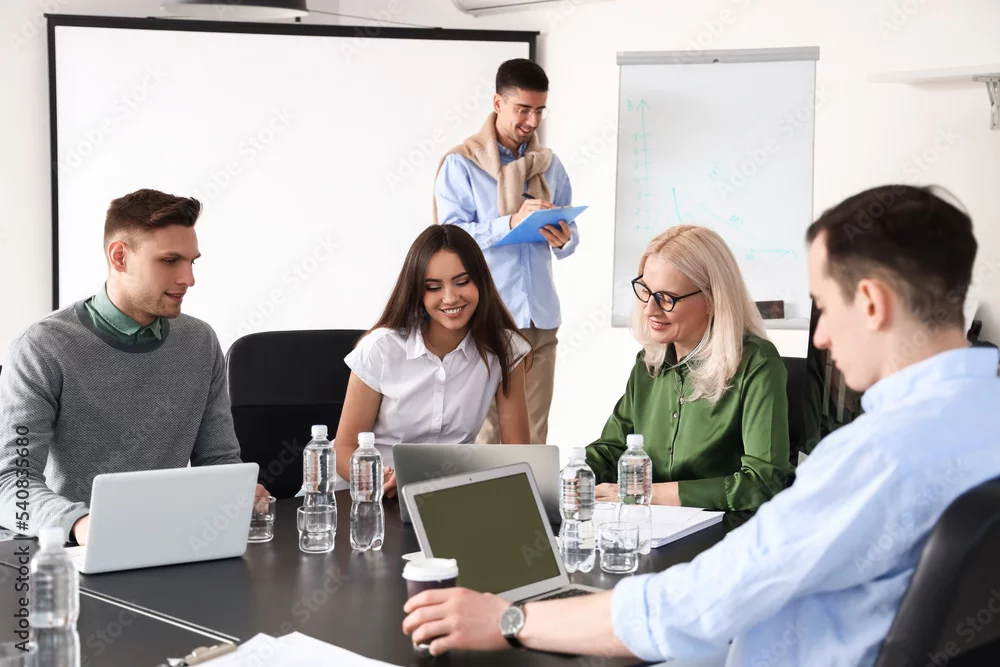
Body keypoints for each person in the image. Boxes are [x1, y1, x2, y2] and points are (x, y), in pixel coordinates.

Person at [401, 184, 1000, 665]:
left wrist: (510, 619)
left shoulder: (874, 457)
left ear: (870, 303)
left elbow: (693, 606)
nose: (818, 337)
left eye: (825, 304)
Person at [0, 189, 266, 545]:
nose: (188, 278)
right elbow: (11, 483)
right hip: (72, 550)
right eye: (170, 261)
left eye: (191, 262)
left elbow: (219, 460)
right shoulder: (42, 347)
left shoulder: (199, 341)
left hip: (172, 542)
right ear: (120, 257)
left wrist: (238, 491)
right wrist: (82, 524)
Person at [586, 225, 793, 511]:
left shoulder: (758, 364)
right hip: (651, 523)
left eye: (666, 298)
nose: (649, 310)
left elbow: (763, 483)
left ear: (712, 300)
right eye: (646, 291)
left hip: (725, 529)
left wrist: (647, 493)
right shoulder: (648, 363)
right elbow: (612, 450)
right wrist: (571, 476)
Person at [434, 58, 577, 445]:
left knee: (534, 435)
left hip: (539, 318)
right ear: (498, 103)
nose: (532, 121)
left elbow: (570, 230)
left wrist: (564, 238)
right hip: (487, 318)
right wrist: (510, 222)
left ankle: (533, 490)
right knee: (487, 436)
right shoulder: (462, 163)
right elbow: (450, 238)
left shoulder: (549, 165)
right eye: (523, 109)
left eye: (540, 111)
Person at [334, 224, 531, 498]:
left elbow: (517, 451)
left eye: (462, 282)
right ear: (418, 292)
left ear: (480, 281)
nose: (450, 297)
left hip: (440, 497)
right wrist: (377, 480)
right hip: (360, 495)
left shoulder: (505, 350)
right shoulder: (381, 349)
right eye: (433, 287)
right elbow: (344, 449)